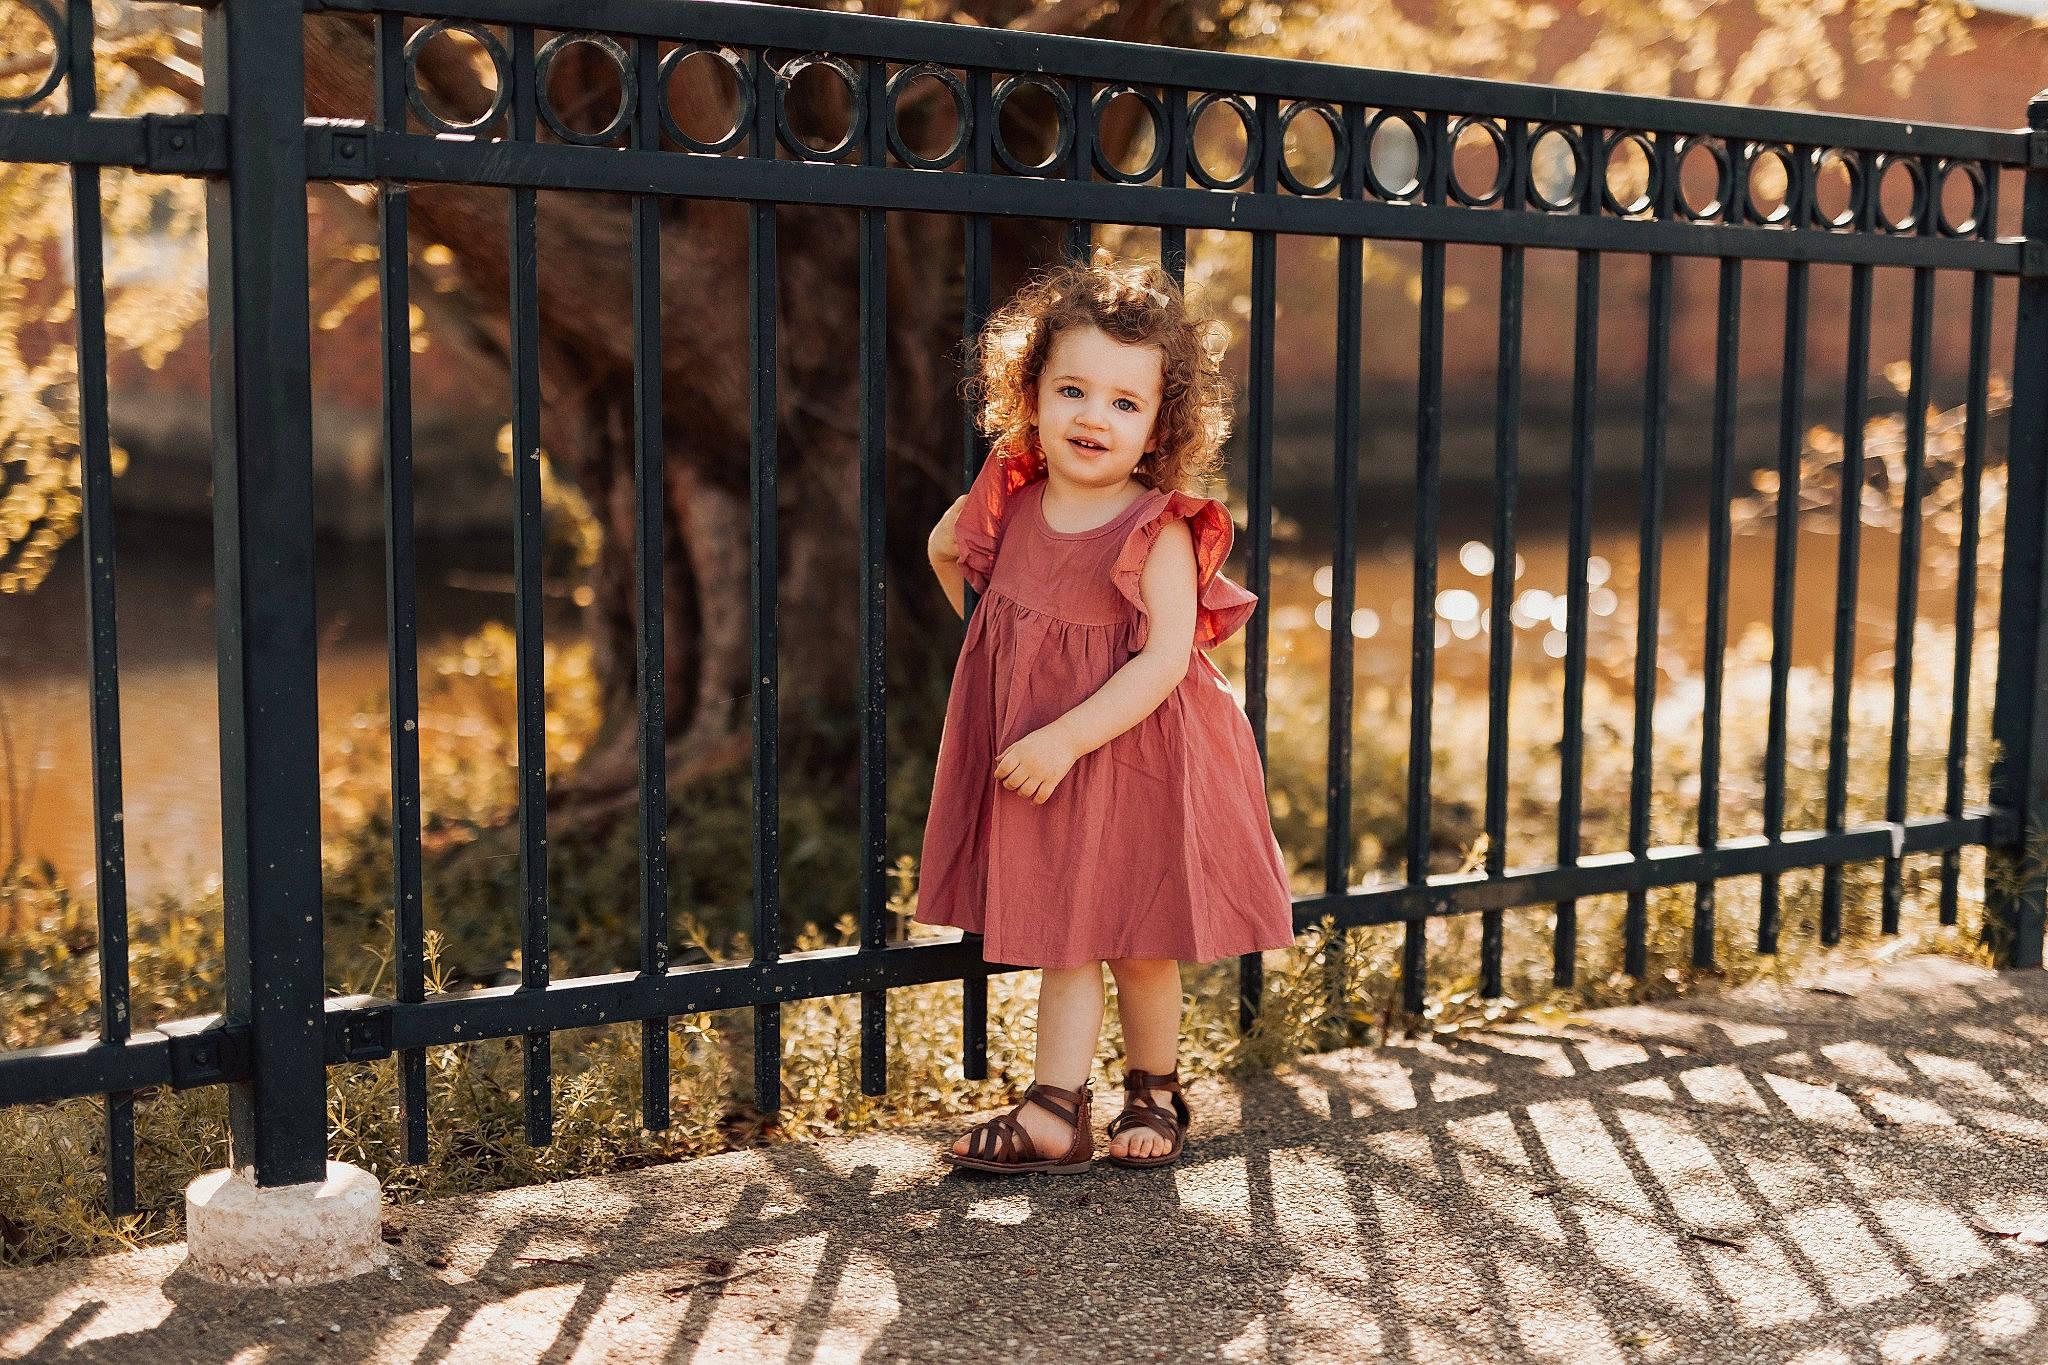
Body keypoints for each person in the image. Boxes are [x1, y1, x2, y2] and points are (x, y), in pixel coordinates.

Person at [919, 257, 1296, 1175]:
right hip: (1050, 748)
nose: (1094, 416)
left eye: (1125, 403)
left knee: (1135, 936)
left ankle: (1154, 1090)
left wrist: (1065, 730)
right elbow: (944, 549)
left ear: (1160, 426)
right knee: (1064, 928)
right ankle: (1056, 1110)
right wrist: (999, 656)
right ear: (1031, 396)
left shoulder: (1155, 527)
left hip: (1134, 748)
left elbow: (1169, 657)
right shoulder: (1008, 501)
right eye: (1072, 390)